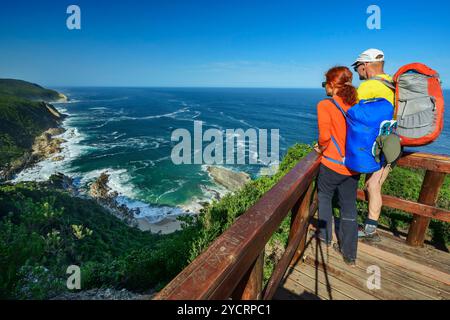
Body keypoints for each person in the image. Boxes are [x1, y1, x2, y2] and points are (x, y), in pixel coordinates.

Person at [314, 66, 361, 265]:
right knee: (349, 207)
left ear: (332, 85)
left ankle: (325, 238)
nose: (324, 87)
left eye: (325, 83)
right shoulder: (357, 104)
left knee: (324, 198)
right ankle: (349, 253)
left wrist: (320, 148)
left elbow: (325, 137)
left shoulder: (326, 105)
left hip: (332, 163)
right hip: (353, 165)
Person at [352, 48, 395, 241]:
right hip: (393, 144)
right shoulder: (392, 82)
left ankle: (370, 230)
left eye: (357, 68)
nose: (357, 72)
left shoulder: (368, 87)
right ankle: (370, 227)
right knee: (373, 185)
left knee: (372, 185)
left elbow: (353, 117)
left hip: (378, 146)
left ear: (366, 65)